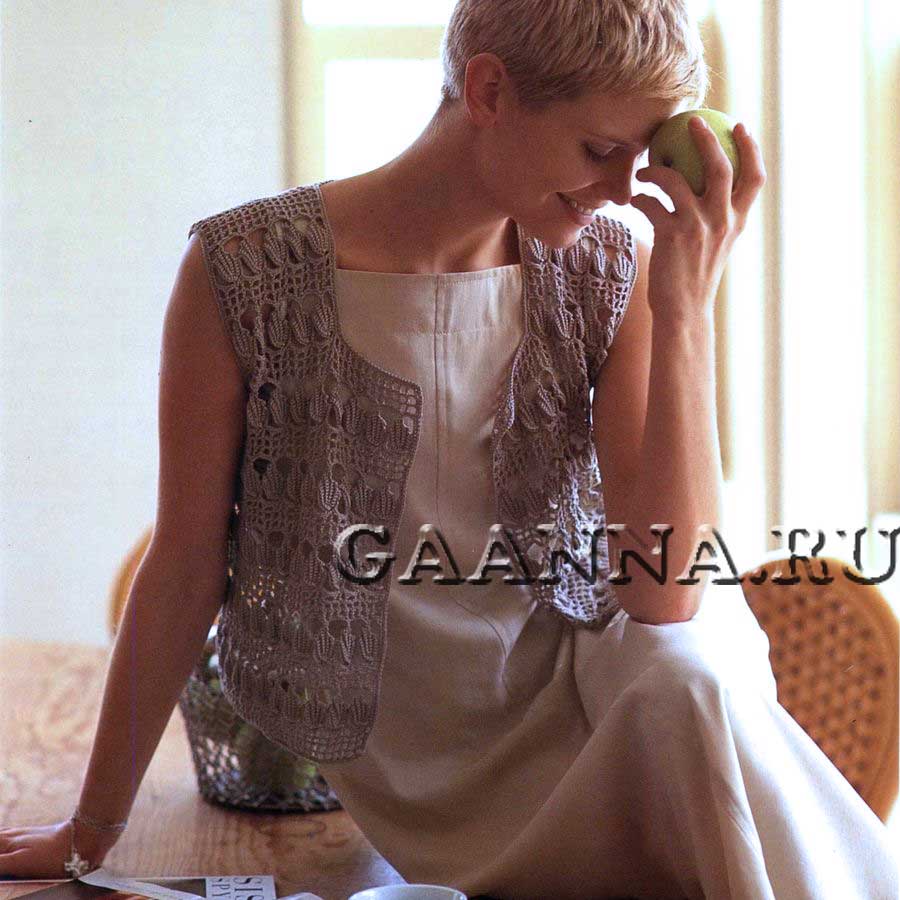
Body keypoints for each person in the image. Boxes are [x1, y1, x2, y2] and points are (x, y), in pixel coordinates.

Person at [1, 0, 897, 897]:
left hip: (611, 696)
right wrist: (90, 833)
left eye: (642, 155)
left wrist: (686, 307)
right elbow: (185, 565)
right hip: (420, 751)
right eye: (599, 150)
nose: (625, 189)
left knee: (681, 671)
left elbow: (664, 592)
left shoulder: (611, 271)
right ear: (490, 91)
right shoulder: (243, 272)